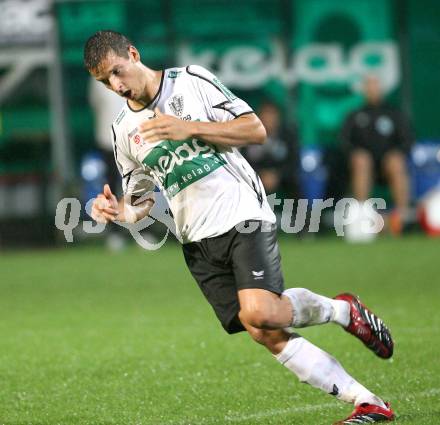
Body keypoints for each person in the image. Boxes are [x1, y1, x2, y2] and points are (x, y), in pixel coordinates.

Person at [84, 30, 395, 424]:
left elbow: (254, 130)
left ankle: (340, 311)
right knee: (262, 328)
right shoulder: (123, 130)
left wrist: (189, 128)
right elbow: (142, 200)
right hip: (196, 240)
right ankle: (367, 400)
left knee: (261, 312)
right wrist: (119, 212)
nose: (115, 85)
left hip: (241, 213)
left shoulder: (190, 81)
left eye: (117, 71)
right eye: (104, 81)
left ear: (133, 53)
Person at [341, 75, 413, 234]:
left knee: (396, 162)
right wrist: (356, 154)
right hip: (365, 167)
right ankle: (362, 219)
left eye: (375, 85)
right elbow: (345, 143)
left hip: (388, 166)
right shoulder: (355, 115)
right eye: (369, 85)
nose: (372, 89)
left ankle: (402, 219)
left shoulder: (395, 114)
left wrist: (395, 154)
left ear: (381, 89)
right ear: (364, 89)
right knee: (361, 161)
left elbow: (408, 141)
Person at [242, 100, 299, 198]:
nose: (269, 118)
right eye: (266, 114)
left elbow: (293, 163)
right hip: (256, 179)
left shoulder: (288, 136)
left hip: (283, 181)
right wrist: (260, 175)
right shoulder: (249, 137)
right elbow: (243, 163)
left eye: (272, 114)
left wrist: (278, 176)